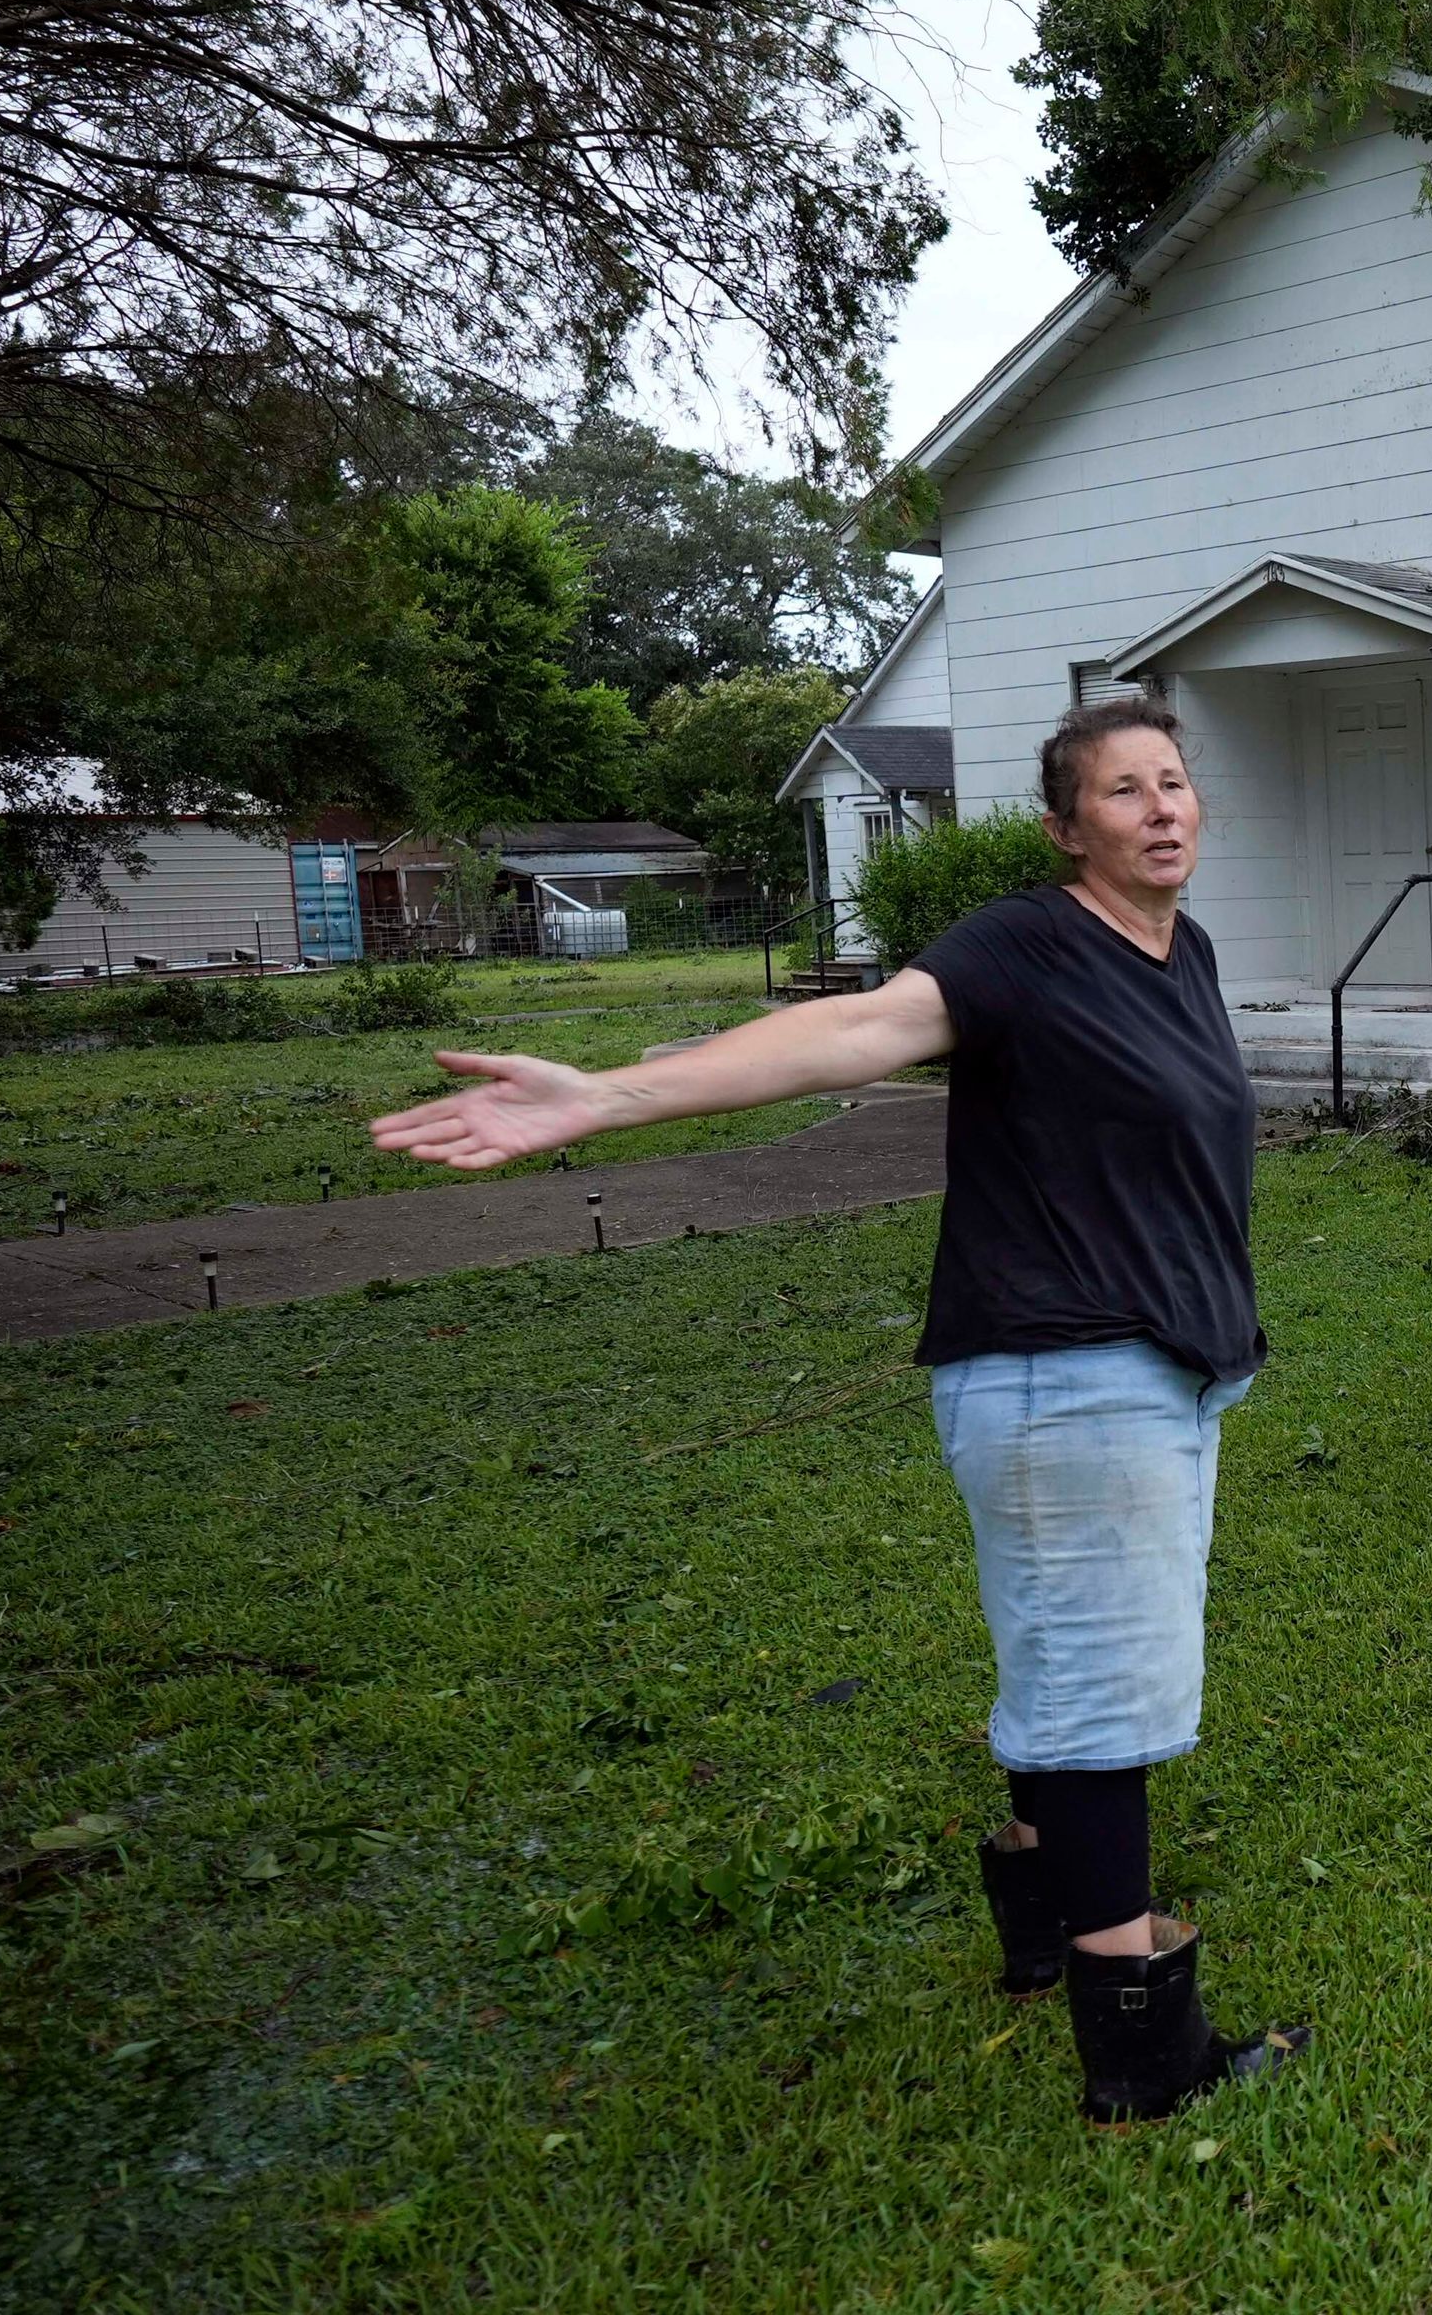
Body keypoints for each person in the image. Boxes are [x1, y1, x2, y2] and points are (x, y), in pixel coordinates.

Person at [369, 696, 1303, 2122]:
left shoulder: (1185, 955)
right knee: (1104, 1702)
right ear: (1067, 828)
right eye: (1123, 792)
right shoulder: (1024, 943)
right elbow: (859, 1028)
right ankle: (1147, 2057)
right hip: (1070, 1377)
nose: (1162, 809)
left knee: (1064, 1659)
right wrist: (607, 1096)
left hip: (1148, 1371)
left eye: (1174, 783)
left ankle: (1043, 1933)